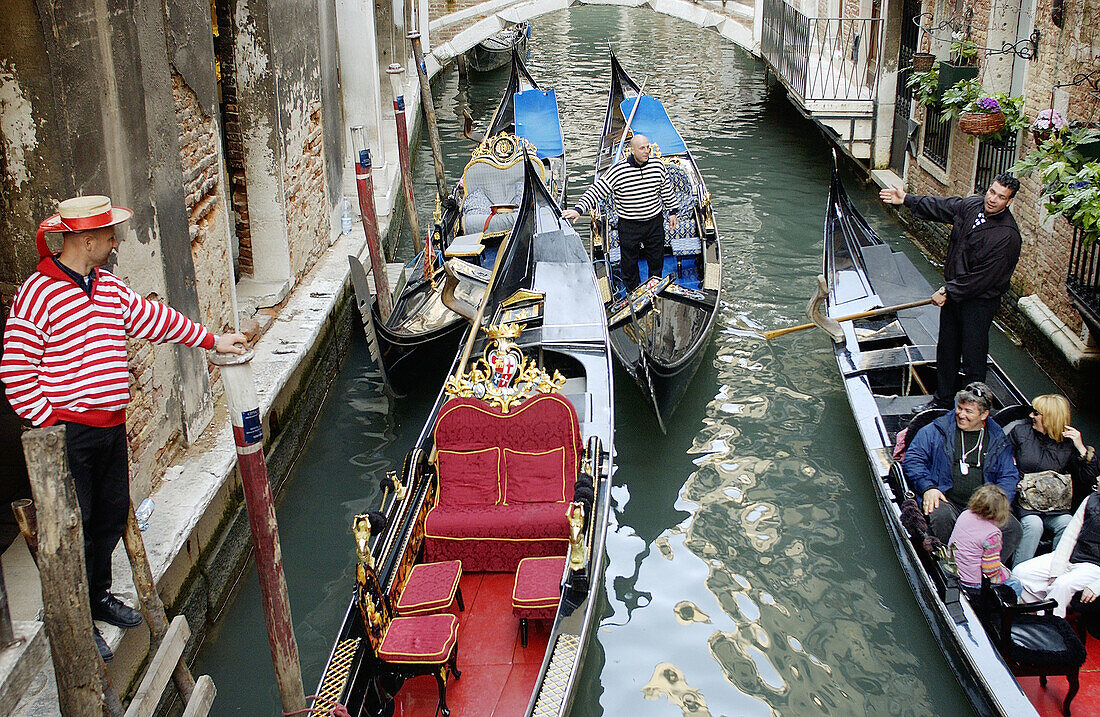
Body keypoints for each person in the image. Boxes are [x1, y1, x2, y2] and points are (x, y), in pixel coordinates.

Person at [0, 195, 247, 662]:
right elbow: (16, 372)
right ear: (86, 240)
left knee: (109, 517)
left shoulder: (108, 287)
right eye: (109, 236)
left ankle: (97, 598)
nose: (115, 243)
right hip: (67, 436)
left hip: (111, 429)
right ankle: (71, 623)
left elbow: (155, 320)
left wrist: (214, 339)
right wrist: (51, 428)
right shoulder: (37, 294)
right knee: (73, 528)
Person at [879, 173, 1022, 413]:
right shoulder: (973, 205)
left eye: (1001, 197)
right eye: (992, 192)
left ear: (1009, 202)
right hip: (955, 295)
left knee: (974, 356)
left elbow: (984, 277)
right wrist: (906, 199)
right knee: (947, 348)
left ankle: (973, 409)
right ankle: (943, 400)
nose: (993, 199)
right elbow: (942, 207)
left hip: (979, 302)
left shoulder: (1007, 236)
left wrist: (948, 289)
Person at [902, 382, 1023, 563]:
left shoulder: (998, 439)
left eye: (968, 411)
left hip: (982, 507)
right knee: (940, 515)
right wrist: (928, 487)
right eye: (959, 408)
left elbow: (1009, 475)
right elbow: (913, 460)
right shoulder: (935, 430)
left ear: (984, 415)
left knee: (1013, 528)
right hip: (945, 498)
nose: (961, 414)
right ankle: (948, 565)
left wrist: (996, 502)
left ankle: (987, 570)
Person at [562, 133, 677, 291]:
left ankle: (655, 287)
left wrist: (672, 212)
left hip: (654, 222)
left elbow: (667, 191)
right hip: (629, 225)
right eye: (642, 148)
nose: (646, 151)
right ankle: (633, 292)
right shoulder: (619, 170)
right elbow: (597, 190)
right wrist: (578, 209)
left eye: (648, 148)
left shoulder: (657, 166)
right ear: (632, 150)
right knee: (629, 264)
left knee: (656, 260)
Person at [1010, 394, 1099, 563]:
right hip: (1024, 503)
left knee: (1068, 524)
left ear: (1050, 418)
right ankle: (1019, 575)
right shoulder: (1020, 432)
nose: (1031, 416)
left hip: (1054, 507)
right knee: (1034, 525)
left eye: (1036, 413)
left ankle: (1052, 573)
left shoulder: (1068, 445)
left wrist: (1081, 449)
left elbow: (1091, 480)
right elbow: (1003, 464)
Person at [1013, 473, 1100, 617]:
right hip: (1072, 556)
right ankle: (1028, 614)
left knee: (1062, 585)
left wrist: (1097, 586)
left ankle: (1046, 627)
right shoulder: (1091, 499)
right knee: (1020, 572)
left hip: (1094, 567)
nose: (1097, 478)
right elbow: (1070, 536)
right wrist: (1057, 570)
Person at [948, 484, 1023, 597]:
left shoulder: (965, 514)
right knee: (1015, 583)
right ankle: (1010, 612)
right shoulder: (992, 535)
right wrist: (1006, 575)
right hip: (972, 583)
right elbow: (990, 571)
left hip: (954, 571)